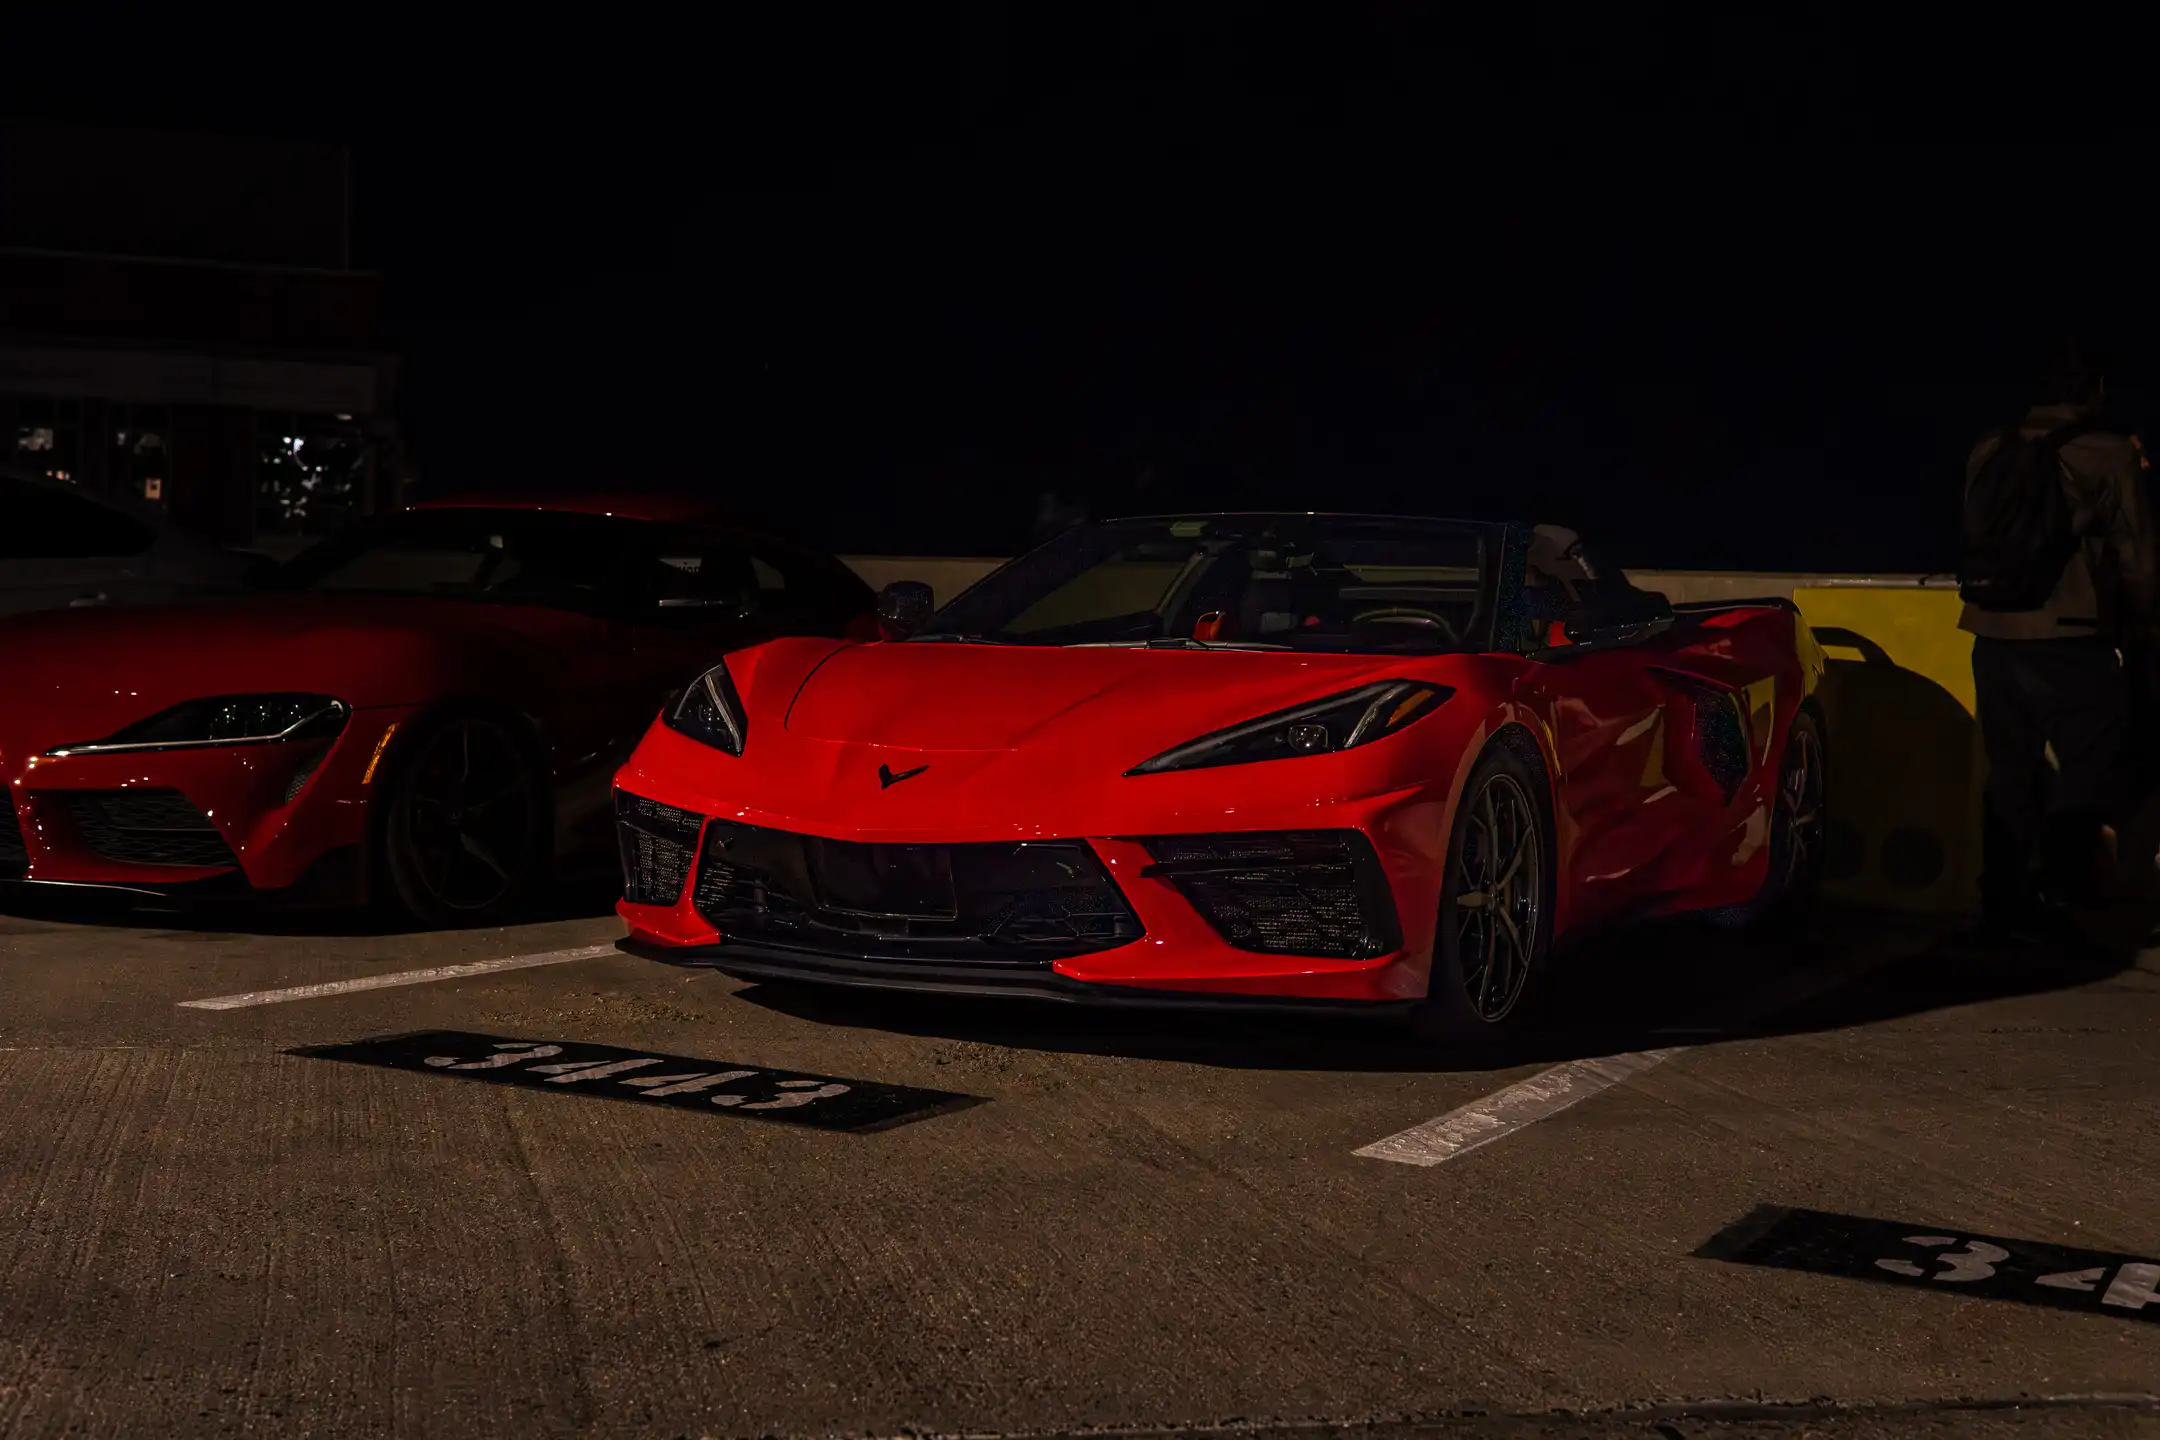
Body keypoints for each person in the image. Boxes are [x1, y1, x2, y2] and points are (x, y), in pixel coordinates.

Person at [1958, 340, 2157, 936]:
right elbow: (2138, 560)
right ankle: (2065, 895)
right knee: (2090, 768)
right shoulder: (2111, 453)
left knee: (2009, 768)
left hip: (1992, 631)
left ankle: (2002, 898)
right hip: (2069, 635)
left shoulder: (1989, 448)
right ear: (2094, 390)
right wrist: (2139, 625)